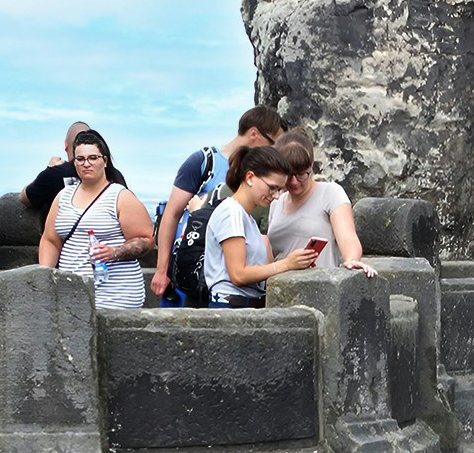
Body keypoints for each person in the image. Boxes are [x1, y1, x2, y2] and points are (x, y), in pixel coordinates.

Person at [151, 106, 285, 299]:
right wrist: (162, 270)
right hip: (196, 267)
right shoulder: (204, 162)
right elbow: (172, 214)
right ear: (254, 133)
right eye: (272, 143)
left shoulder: (264, 178)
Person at [38, 130, 151, 309]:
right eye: (80, 159)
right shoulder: (63, 196)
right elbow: (50, 239)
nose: (86, 164)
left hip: (116, 295)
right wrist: (44, 276)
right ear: (74, 163)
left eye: (93, 158)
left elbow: (146, 240)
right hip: (72, 295)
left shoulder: (121, 197)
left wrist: (115, 252)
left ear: (104, 161)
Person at [203, 145, 318, 308]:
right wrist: (286, 264)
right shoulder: (232, 212)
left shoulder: (245, 216)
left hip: (245, 305)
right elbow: (238, 274)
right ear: (250, 177)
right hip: (232, 307)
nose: (276, 196)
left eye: (279, 190)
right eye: (272, 188)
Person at [268, 131, 376, 277]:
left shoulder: (330, 193)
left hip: (320, 285)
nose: (294, 182)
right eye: (288, 175)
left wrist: (351, 259)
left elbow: (348, 236)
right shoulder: (276, 202)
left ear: (311, 166)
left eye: (301, 174)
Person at [21, 121, 97, 219]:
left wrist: (49, 169)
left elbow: (25, 198)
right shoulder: (113, 174)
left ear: (66, 145)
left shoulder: (55, 174)